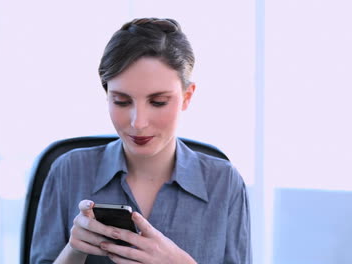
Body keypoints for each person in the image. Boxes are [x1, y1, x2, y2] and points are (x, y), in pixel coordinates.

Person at [30, 18, 252, 264]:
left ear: (187, 97)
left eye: (158, 102)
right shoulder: (68, 171)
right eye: (122, 101)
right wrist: (75, 249)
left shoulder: (224, 182)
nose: (138, 122)